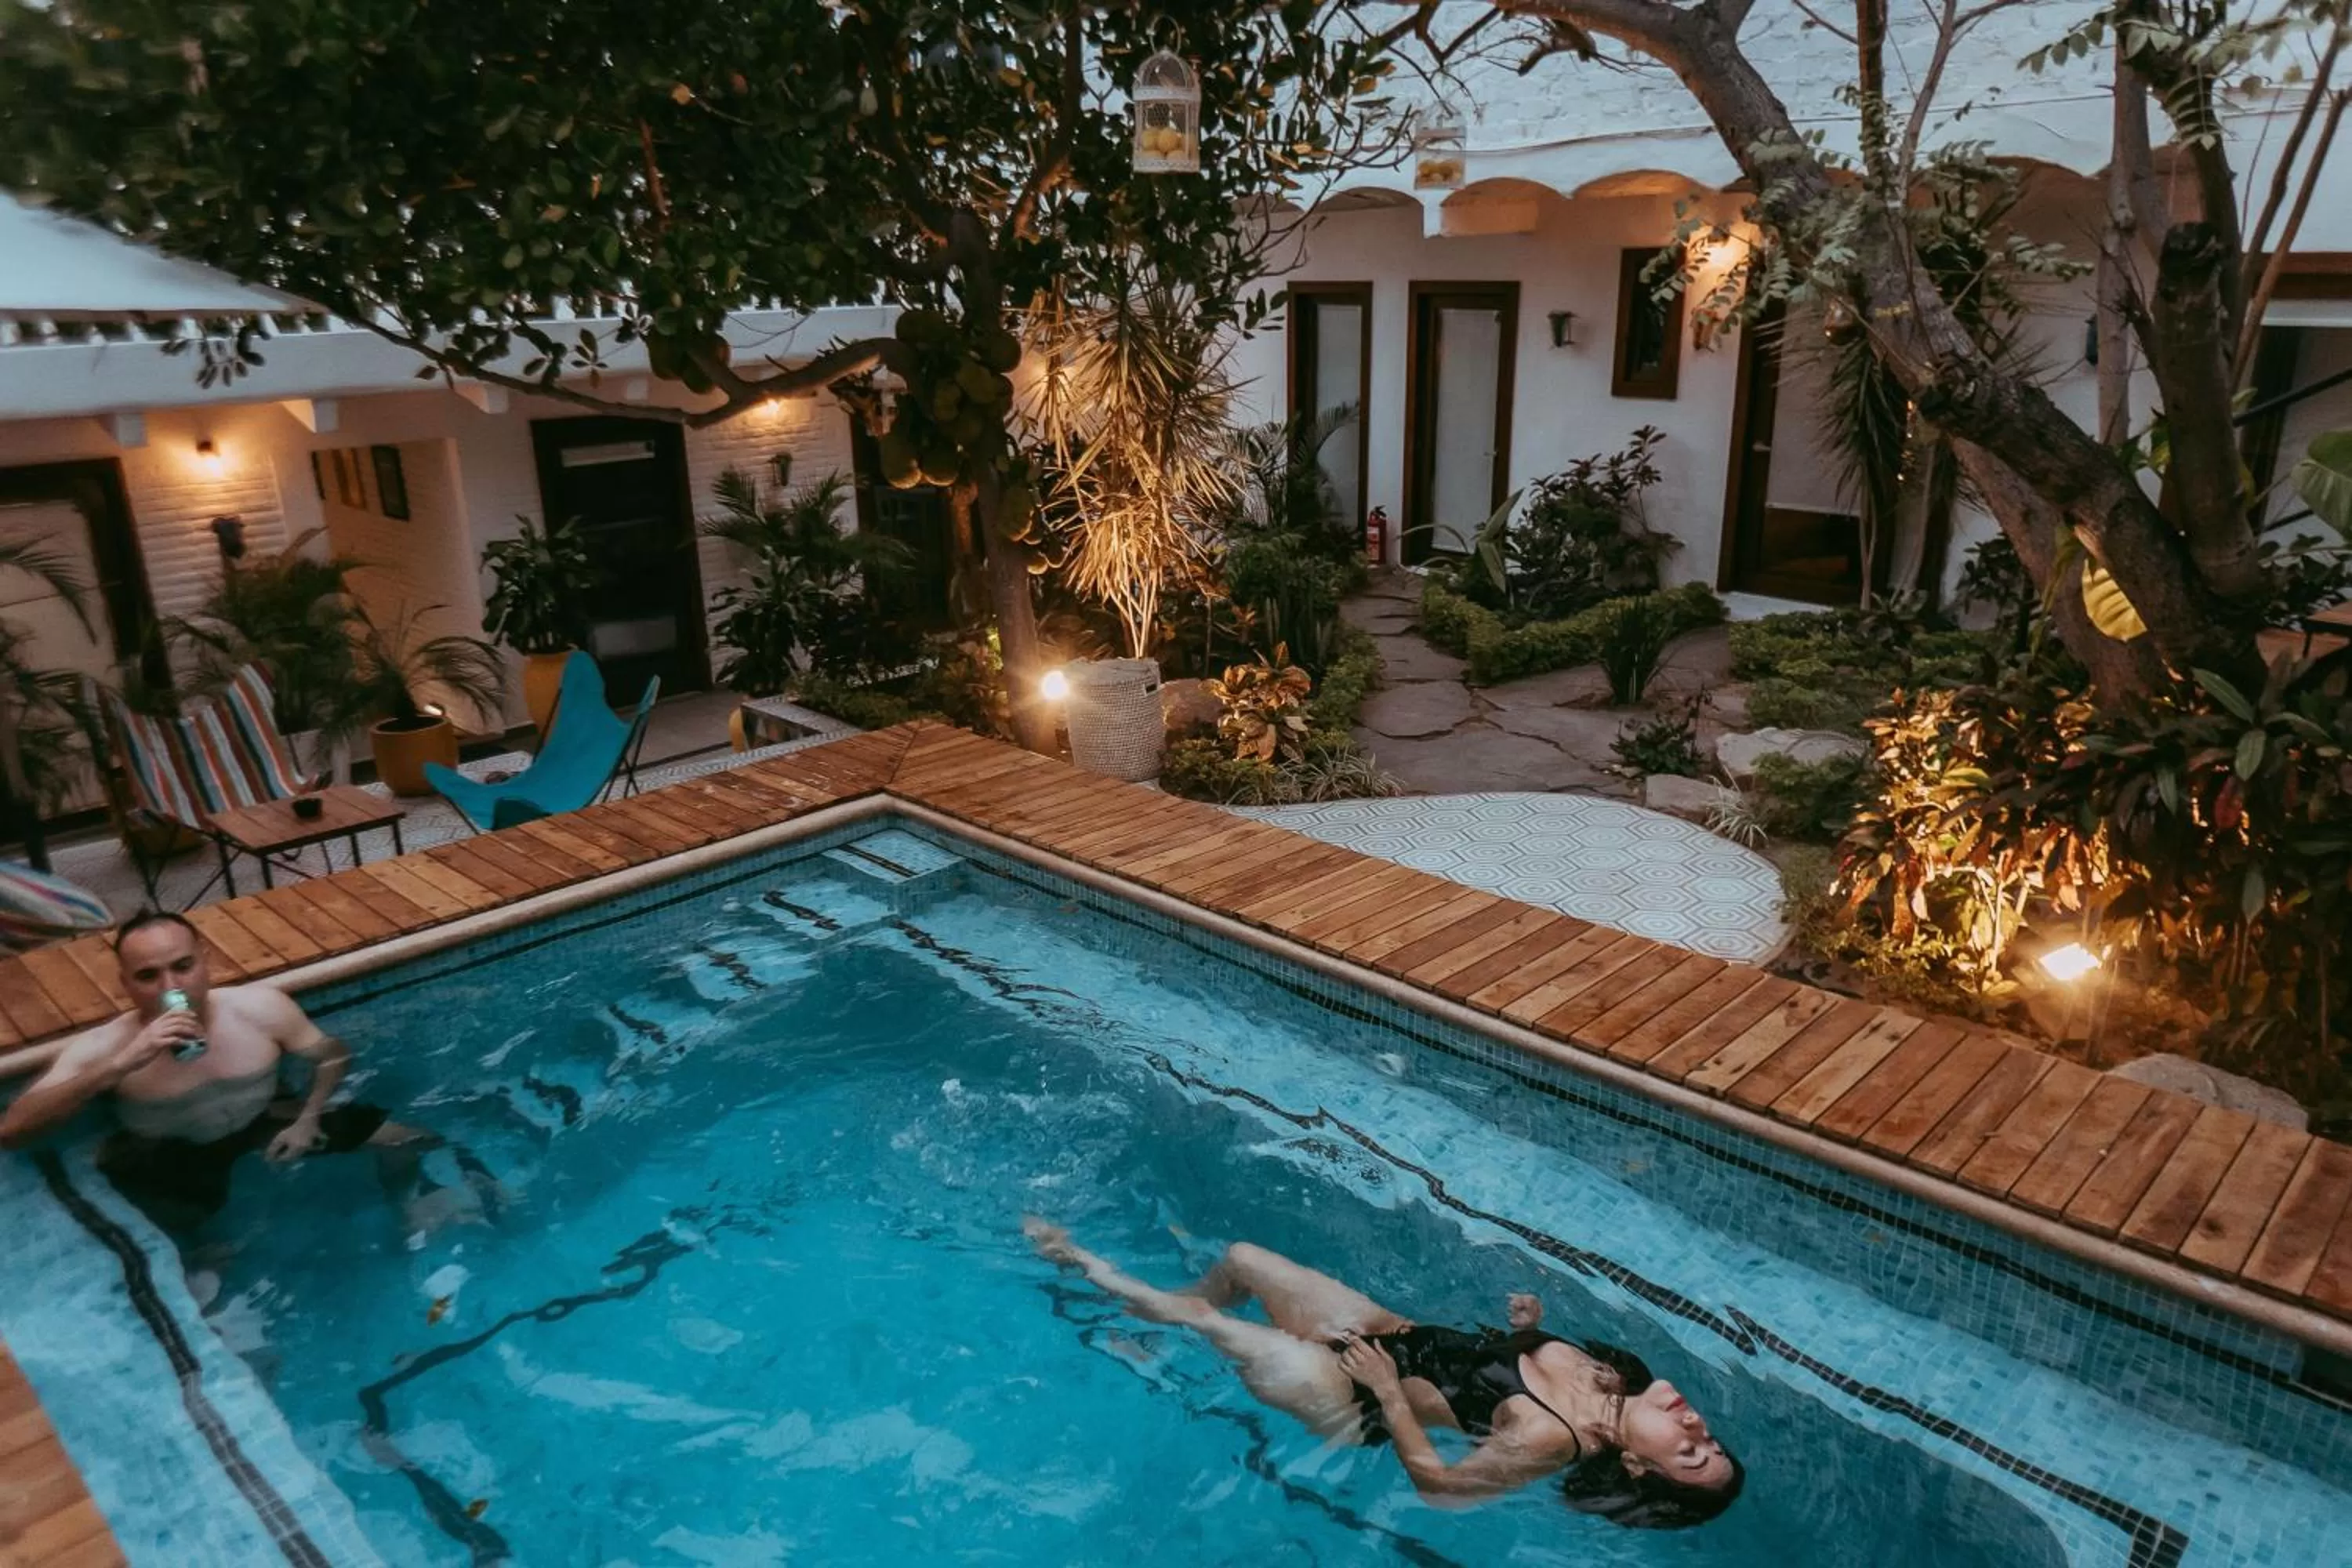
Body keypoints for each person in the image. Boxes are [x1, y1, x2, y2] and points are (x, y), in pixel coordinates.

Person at [1024, 1220, 1742, 1530]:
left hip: (1349, 1399)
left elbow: (1441, 1490)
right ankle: (1153, 1338)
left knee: (1214, 1325)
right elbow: (1496, 1367)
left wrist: (1388, 1392)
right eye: (1710, 1441)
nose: (1695, 1427)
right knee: (1242, 1259)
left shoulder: (1552, 1441)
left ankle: (1079, 1263)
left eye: (1690, 1454)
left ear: (1639, 1470)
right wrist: (1528, 1325)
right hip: (1382, 1330)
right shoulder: (1616, 1374)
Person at [0, 909, 416, 1230]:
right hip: (172, 1153)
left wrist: (308, 1118)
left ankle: (411, 1213)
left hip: (265, 1120)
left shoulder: (259, 1009)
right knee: (207, 1261)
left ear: (206, 962)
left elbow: (334, 1055)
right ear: (124, 984)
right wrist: (120, 1066)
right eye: (148, 976)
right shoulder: (105, 1047)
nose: (170, 988)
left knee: (407, 1141)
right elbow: (13, 1131)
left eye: (182, 967)